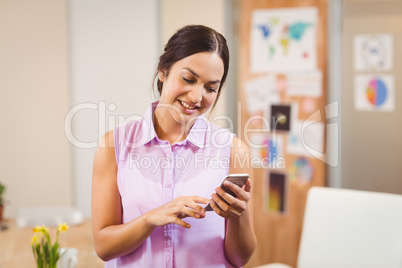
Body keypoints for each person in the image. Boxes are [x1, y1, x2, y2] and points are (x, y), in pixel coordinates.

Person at [92, 24, 257, 268]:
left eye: (211, 88)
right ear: (163, 71)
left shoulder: (233, 150)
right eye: (188, 79)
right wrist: (151, 219)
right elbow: (104, 247)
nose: (196, 97)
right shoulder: (113, 146)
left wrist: (239, 217)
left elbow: (240, 259)